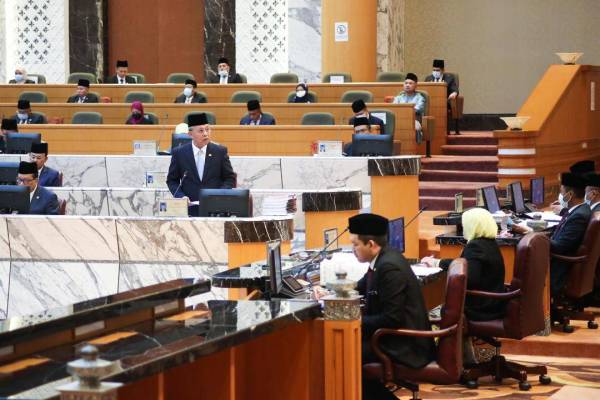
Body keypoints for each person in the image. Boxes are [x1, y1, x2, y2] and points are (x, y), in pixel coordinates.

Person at [351, 213, 435, 400]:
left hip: (406, 345)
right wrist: (331, 290)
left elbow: (392, 318)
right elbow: (361, 285)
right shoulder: (383, 258)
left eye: (355, 244)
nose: (353, 250)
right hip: (395, 337)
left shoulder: (389, 267)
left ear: (371, 244)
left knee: (347, 356)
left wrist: (356, 322)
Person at [422, 208, 506, 321]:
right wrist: (438, 262)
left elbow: (468, 277)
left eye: (465, 225)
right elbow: (467, 263)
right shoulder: (489, 243)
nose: (463, 228)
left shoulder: (476, 246)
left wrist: (439, 264)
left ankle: (448, 337)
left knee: (442, 309)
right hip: (494, 304)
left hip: (481, 308)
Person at [166, 113, 236, 216]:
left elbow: (229, 178)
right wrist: (181, 197)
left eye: (207, 129)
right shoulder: (179, 153)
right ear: (190, 134)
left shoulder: (220, 151)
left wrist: (219, 195)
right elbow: (172, 180)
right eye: (201, 131)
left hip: (215, 210)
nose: (205, 134)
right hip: (189, 209)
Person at [549, 172, 591, 297]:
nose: (561, 195)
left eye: (561, 192)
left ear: (570, 194)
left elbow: (560, 247)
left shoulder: (579, 216)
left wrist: (535, 236)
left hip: (560, 269)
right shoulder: (579, 210)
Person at [392, 73, 426, 144]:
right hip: (399, 120)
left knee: (415, 127)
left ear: (416, 85)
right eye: (406, 83)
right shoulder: (398, 97)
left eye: (410, 83)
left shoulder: (420, 98)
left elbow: (417, 110)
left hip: (414, 120)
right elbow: (393, 109)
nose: (407, 85)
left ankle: (415, 147)